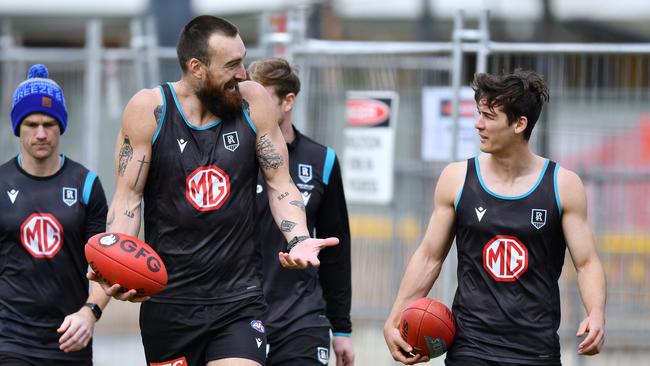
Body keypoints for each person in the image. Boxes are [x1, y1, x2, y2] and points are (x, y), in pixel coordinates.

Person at [88, 16, 339, 366]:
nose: (244, 74)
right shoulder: (150, 110)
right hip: (169, 303)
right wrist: (118, 263)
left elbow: (280, 184)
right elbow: (128, 201)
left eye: (244, 60)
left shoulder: (252, 103)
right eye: (233, 65)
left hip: (238, 300)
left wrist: (297, 238)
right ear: (197, 68)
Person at [384, 70, 606, 365]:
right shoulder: (457, 178)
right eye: (479, 113)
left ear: (519, 124)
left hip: (536, 351)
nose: (478, 124)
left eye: (489, 116)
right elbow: (429, 257)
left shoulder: (563, 185)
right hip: (471, 347)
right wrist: (395, 318)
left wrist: (596, 313)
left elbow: (586, 262)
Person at [0, 64, 110, 365]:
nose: (40, 133)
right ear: (17, 127)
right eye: (31, 124)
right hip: (10, 338)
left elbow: (106, 267)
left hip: (70, 339)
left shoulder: (86, 184)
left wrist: (91, 312)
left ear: (60, 126)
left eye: (49, 124)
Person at [248, 58, 354, 366]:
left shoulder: (322, 160)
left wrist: (342, 328)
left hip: (302, 318)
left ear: (288, 101)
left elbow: (336, 250)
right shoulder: (235, 155)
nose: (251, 107)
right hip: (241, 314)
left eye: (261, 98)